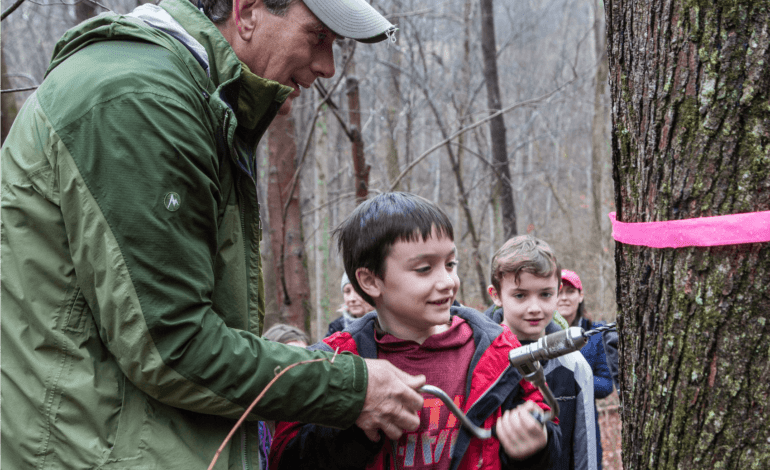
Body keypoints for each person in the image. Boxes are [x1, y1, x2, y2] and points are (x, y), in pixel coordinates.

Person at [0, 1, 425, 468]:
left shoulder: (188, 97)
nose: (326, 67)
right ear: (246, 13)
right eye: (317, 35)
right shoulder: (141, 100)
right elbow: (171, 346)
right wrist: (350, 387)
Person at [269, 192, 561, 470]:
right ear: (371, 281)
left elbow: (549, 440)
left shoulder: (497, 349)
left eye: (450, 264)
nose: (448, 281)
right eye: (424, 269)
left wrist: (535, 446)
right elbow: (285, 458)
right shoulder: (334, 361)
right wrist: (355, 430)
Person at [484, 235, 598, 470]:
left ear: (557, 292)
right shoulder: (476, 358)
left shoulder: (574, 365)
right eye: (520, 295)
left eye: (545, 294)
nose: (534, 308)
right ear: (496, 295)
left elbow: (585, 447)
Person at [557, 269, 614, 470]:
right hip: (552, 422)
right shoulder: (541, 334)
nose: (564, 298)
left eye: (570, 291)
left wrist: (574, 380)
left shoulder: (596, 332)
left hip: (586, 423)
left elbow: (606, 385)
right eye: (559, 291)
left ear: (580, 295)